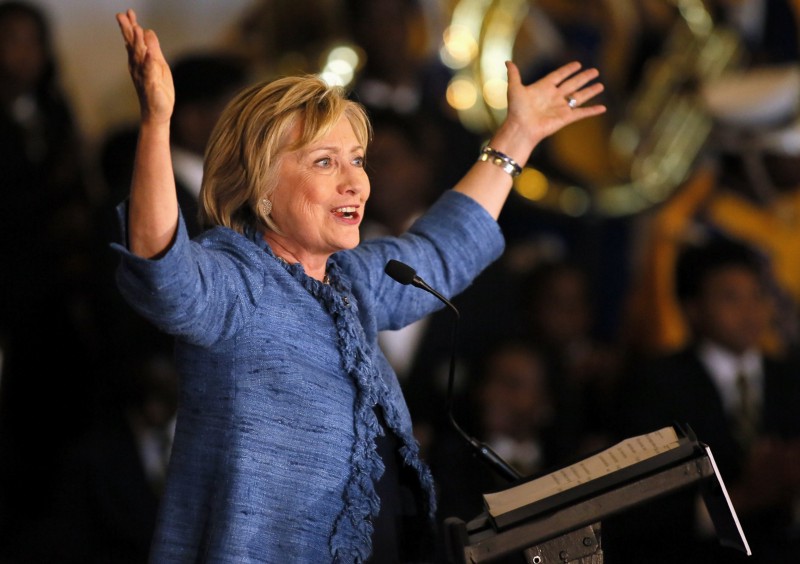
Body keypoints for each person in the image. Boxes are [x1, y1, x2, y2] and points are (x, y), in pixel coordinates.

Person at [113, 8, 605, 562]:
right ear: (261, 189)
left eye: (357, 160)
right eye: (325, 162)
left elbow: (444, 246)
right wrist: (157, 122)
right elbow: (162, 268)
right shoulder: (236, 279)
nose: (356, 183)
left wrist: (519, 133)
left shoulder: (350, 281)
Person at [608, 237, 800, 563]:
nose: (750, 311)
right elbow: (641, 509)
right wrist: (745, 496)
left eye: (758, 295)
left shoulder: (792, 379)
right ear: (693, 309)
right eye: (730, 298)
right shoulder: (655, 384)